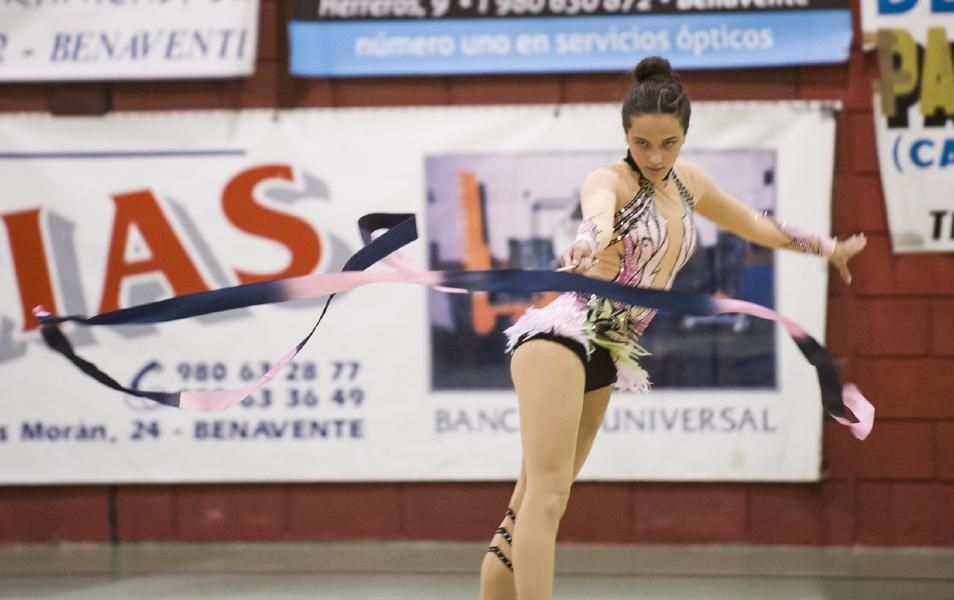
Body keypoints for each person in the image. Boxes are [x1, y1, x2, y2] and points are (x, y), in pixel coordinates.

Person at [477, 56, 867, 600]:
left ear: (685, 136)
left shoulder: (690, 185)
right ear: (626, 136)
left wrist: (826, 247)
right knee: (546, 498)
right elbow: (597, 213)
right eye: (642, 144)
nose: (656, 157)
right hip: (560, 339)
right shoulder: (609, 179)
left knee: (528, 508)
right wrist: (588, 241)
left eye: (669, 144)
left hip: (608, 351)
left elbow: (756, 223)